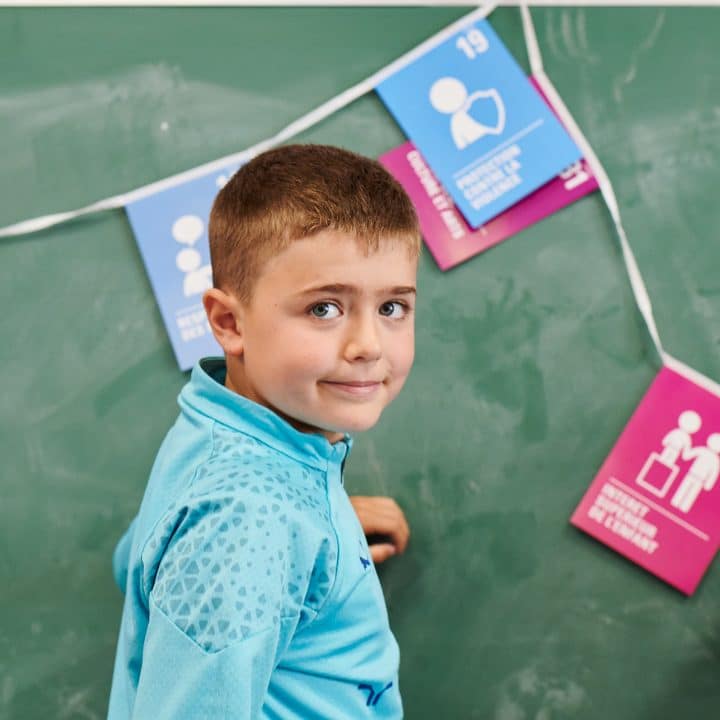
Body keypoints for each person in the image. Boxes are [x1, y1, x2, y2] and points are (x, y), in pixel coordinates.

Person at [107, 144, 421, 719]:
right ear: (229, 322)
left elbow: (135, 558)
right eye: (324, 308)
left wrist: (315, 538)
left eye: (393, 308)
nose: (369, 345)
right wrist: (276, 535)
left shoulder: (216, 429)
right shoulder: (249, 520)